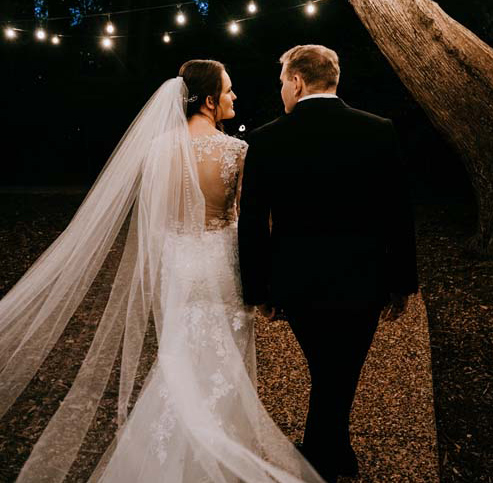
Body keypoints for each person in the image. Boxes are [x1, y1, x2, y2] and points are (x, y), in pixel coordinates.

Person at [0, 60, 325, 483]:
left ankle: (172, 456)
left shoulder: (157, 149)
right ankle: (219, 452)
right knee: (223, 362)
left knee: (180, 359)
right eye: (228, 91)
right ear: (209, 102)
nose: (234, 97)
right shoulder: (237, 151)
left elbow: (153, 220)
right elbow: (248, 223)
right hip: (222, 265)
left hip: (177, 262)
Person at [238, 44, 419, 483]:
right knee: (338, 368)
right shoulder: (379, 130)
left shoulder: (265, 138)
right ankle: (331, 450)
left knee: (328, 367)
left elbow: (253, 222)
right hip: (366, 279)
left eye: (283, 81)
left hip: (298, 282)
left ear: (297, 81)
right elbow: (399, 211)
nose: (282, 89)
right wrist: (403, 283)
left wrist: (259, 289)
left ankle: (324, 454)